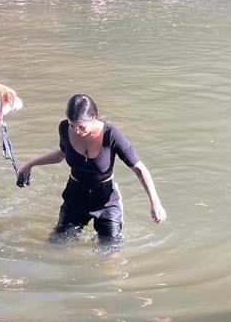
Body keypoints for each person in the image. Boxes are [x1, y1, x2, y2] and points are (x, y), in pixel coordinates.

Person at [16, 94, 165, 242]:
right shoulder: (64, 128)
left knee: (110, 253)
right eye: (72, 125)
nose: (76, 131)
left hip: (106, 201)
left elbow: (139, 169)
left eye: (81, 126)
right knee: (56, 245)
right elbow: (62, 154)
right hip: (75, 197)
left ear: (94, 117)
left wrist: (155, 203)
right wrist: (30, 164)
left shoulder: (111, 135)